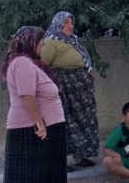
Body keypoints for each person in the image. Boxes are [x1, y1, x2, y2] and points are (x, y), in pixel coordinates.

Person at [0, 26, 67, 183]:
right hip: (28, 126)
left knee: (38, 168)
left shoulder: (29, 62)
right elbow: (27, 95)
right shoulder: (22, 63)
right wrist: (39, 123)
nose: (43, 44)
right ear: (29, 42)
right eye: (39, 41)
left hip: (36, 125)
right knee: (28, 169)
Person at [42, 11, 100, 172]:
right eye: (66, 23)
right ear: (58, 24)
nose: (69, 26)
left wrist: (87, 70)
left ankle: (79, 156)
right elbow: (43, 65)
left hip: (80, 92)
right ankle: (60, 161)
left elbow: (82, 60)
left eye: (71, 23)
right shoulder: (51, 42)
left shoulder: (72, 41)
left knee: (83, 122)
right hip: (66, 91)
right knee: (66, 122)